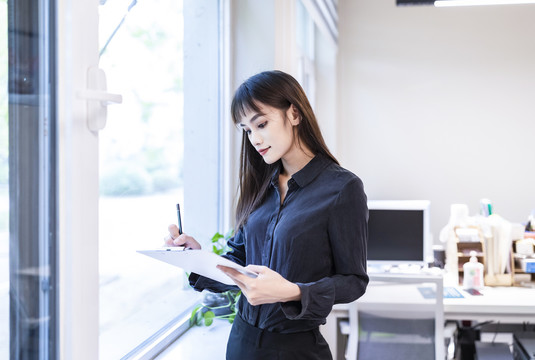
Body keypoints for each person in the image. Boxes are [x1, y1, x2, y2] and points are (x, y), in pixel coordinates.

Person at [165, 70, 368, 359]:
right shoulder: (260, 185)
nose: (254, 139)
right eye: (247, 130)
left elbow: (353, 281)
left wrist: (292, 291)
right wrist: (194, 257)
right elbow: (237, 262)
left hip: (295, 349)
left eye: (261, 124)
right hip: (241, 342)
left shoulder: (342, 188)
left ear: (294, 114)